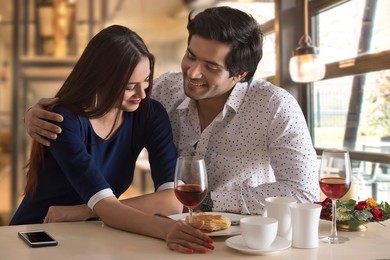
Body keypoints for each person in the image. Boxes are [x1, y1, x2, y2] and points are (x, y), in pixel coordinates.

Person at [24, 7, 319, 216]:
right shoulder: (166, 89)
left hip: (245, 234)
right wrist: (37, 113)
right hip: (171, 224)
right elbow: (103, 103)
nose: (192, 73)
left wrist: (205, 201)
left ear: (239, 74)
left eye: (211, 67)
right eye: (191, 55)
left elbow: (303, 192)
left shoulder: (275, 106)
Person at [10, 25, 214, 254]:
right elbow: (105, 206)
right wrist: (165, 229)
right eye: (129, 87)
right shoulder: (65, 120)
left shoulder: (149, 114)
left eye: (146, 80)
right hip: (36, 235)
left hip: (92, 233)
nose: (142, 94)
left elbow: (172, 201)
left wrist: (83, 212)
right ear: (100, 80)